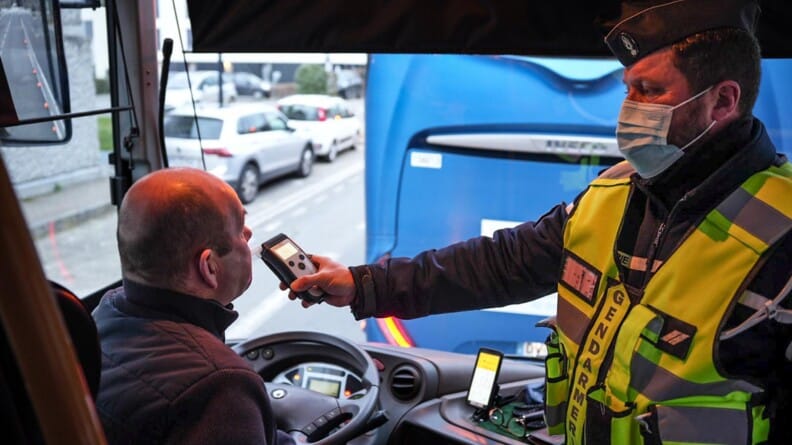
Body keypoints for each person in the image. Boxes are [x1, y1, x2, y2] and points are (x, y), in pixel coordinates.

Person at [286, 1, 792, 443]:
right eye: (628, 90)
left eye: (649, 90)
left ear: (722, 101)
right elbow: (497, 264)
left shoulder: (782, 234)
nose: (628, 109)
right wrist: (361, 284)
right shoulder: (614, 193)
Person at [93, 168, 293, 445]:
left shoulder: (105, 311)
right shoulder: (221, 388)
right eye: (238, 229)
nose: (248, 233)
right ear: (209, 267)